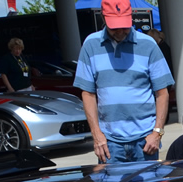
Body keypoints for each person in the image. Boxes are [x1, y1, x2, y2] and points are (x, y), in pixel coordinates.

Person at [74, 0, 174, 164]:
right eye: (115, 26)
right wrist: (96, 134)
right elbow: (88, 93)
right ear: (103, 17)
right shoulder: (91, 45)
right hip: (109, 141)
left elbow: (162, 93)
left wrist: (157, 133)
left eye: (124, 25)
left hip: (145, 139)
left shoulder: (148, 45)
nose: (120, 31)